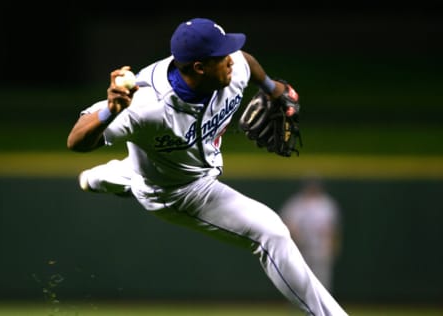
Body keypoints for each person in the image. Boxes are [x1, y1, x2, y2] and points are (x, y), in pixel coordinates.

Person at [67, 17, 348, 315]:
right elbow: (76, 140)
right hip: (178, 192)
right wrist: (110, 112)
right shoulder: (144, 106)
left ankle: (102, 178)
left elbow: (247, 62)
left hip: (169, 164)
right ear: (199, 67)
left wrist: (272, 89)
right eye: (222, 57)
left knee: (138, 171)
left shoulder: (231, 68)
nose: (231, 60)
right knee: (272, 233)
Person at [279, 176, 342, 294]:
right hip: (302, 248)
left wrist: (333, 246)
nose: (312, 188)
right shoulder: (297, 203)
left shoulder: (327, 204)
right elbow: (287, 223)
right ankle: (300, 305)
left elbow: (333, 229)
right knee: (300, 279)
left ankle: (321, 308)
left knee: (322, 282)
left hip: (321, 248)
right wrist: (296, 239)